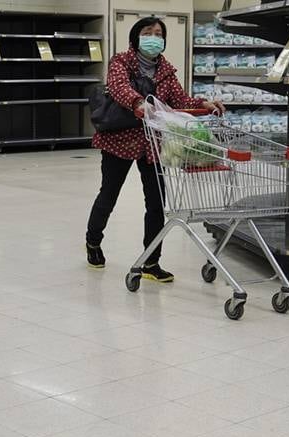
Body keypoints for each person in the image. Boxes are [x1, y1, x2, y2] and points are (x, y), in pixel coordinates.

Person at [86, 16, 224, 282]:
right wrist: (138, 103)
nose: (153, 37)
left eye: (158, 33)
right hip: (119, 140)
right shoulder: (121, 62)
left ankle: (151, 261)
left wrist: (203, 103)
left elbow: (180, 101)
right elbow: (118, 88)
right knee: (109, 194)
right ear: (136, 38)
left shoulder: (167, 71)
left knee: (156, 203)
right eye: (148, 32)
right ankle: (93, 242)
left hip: (152, 144)